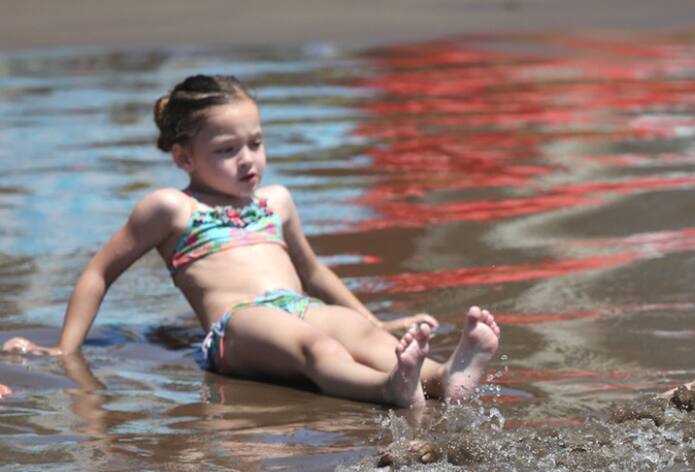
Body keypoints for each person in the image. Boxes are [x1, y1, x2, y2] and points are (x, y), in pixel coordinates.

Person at [1, 74, 499, 408]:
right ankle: (388, 387)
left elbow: (314, 274)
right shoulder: (172, 208)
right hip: (236, 325)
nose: (248, 160)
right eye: (227, 149)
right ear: (184, 159)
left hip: (294, 303)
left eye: (256, 143)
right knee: (314, 346)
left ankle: (443, 378)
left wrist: (377, 320)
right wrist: (66, 349)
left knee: (358, 333)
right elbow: (99, 272)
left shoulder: (275, 201)